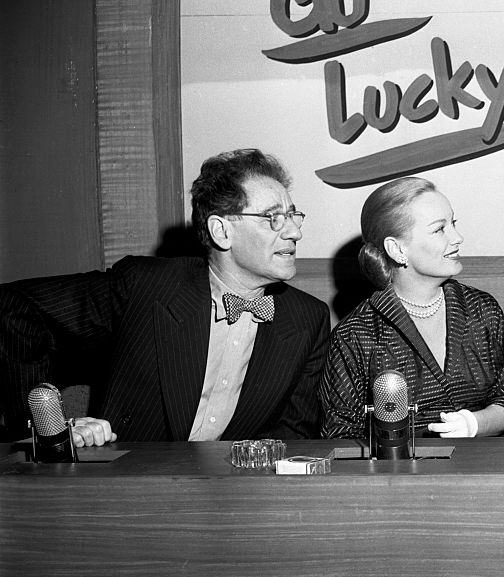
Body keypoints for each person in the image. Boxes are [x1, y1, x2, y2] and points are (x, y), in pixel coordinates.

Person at [0, 148, 330, 445]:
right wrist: (45, 428)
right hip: (123, 490)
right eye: (274, 218)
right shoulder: (143, 287)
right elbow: (16, 307)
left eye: (292, 215)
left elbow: (293, 435)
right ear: (222, 231)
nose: (294, 231)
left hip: (230, 496)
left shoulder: (307, 319)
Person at [319, 177, 504, 439]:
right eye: (439, 229)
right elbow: (340, 433)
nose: (458, 237)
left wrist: (474, 423)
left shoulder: (482, 309)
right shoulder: (354, 335)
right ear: (397, 249)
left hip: (485, 466)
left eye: (453, 223)